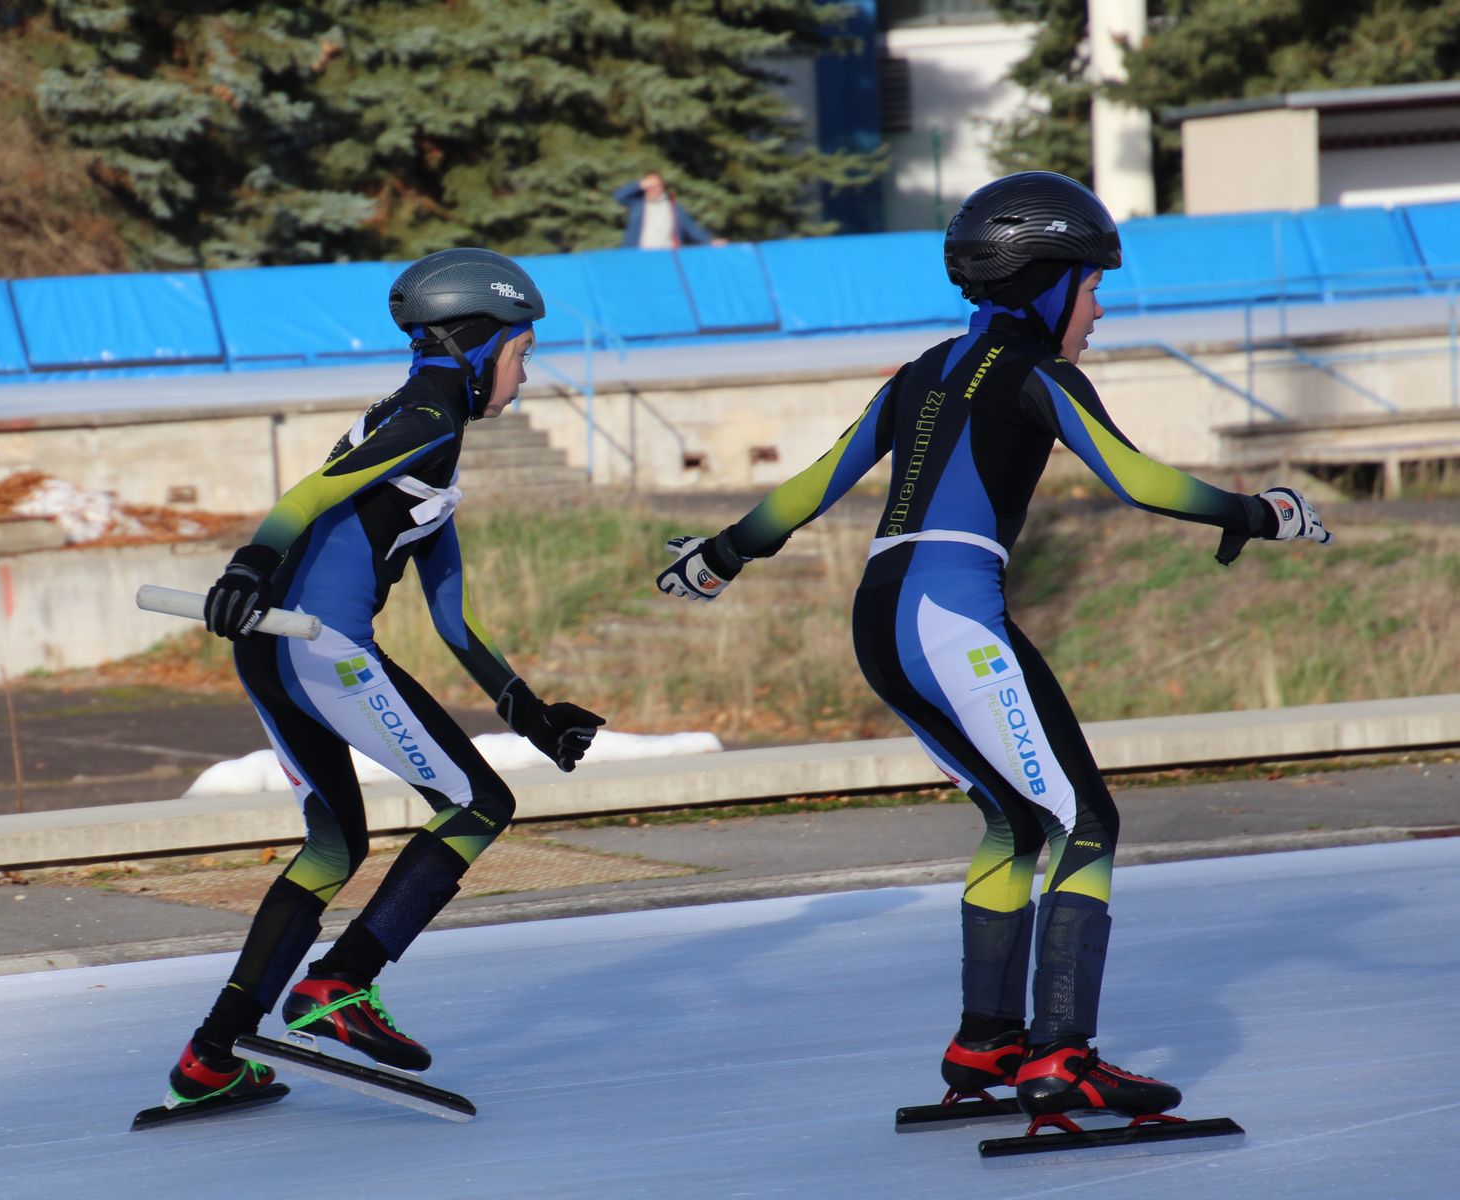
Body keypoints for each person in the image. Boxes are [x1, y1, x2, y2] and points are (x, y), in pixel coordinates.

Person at [653, 171, 1332, 1123]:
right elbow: (1134, 478)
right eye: (1091, 286)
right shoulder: (1039, 373)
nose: (1098, 309)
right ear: (1047, 283)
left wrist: (721, 556)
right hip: (950, 614)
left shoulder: (920, 371)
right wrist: (1260, 512)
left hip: (881, 617)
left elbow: (816, 482)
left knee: (1015, 821)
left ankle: (986, 1043)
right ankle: (1062, 1057)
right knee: (1084, 822)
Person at [160, 247, 606, 1114]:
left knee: (334, 848)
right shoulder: (429, 416)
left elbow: (452, 614)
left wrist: (530, 713)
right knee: (479, 805)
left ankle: (212, 1053)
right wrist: (248, 563)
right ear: (481, 344)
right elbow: (308, 495)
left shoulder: (422, 424)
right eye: (522, 351)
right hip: (315, 643)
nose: (525, 374)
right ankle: (340, 984)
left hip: (271, 647)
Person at [614, 171, 723, 249]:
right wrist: (640, 184)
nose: (654, 189)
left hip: (667, 255)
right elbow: (619, 197)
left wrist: (709, 241)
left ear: (662, 187)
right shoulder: (637, 203)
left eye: (657, 185)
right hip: (640, 255)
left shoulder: (673, 207)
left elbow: (691, 228)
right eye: (650, 185)